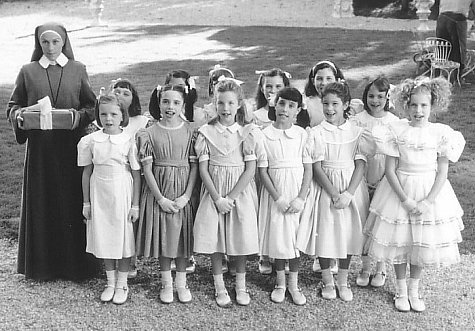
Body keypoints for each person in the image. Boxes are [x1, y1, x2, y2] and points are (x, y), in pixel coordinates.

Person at [6, 22, 99, 281]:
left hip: (71, 148)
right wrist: (21, 117)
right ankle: (43, 268)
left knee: (71, 201)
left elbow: (91, 106)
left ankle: (74, 267)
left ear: (64, 43)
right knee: (43, 201)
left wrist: (76, 117)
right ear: (38, 44)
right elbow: (13, 106)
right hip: (41, 151)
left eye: (55, 42)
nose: (50, 47)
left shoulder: (78, 69)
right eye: (44, 42)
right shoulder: (28, 71)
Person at [364, 76, 465, 312]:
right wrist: (406, 200)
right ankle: (400, 289)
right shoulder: (395, 130)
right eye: (413, 105)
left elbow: (442, 171)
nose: (418, 111)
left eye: (424, 105)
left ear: (433, 106)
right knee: (400, 240)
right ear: (405, 105)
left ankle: (414, 289)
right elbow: (390, 170)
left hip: (430, 191)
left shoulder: (441, 133)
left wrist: (428, 201)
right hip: (400, 190)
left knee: (421, 241)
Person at [296, 82, 370, 302]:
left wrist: (348, 193)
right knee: (327, 232)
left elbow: (361, 164)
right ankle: (328, 280)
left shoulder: (357, 132)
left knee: (347, 234)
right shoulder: (316, 132)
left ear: (345, 104)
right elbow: (317, 167)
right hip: (325, 187)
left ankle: (343, 280)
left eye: (335, 104)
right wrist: (334, 194)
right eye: (325, 103)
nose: (329, 108)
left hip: (350, 187)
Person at [193, 79, 260, 307]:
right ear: (214, 104)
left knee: (239, 236)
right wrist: (218, 198)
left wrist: (231, 197)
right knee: (215, 238)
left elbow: (250, 168)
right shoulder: (206, 132)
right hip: (215, 191)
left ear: (239, 104)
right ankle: (219, 286)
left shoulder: (246, 132)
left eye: (231, 103)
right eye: (220, 103)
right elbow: (203, 168)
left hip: (238, 192)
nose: (225, 108)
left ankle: (240, 285)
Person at [135, 85, 198, 304]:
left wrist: (187, 196)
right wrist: (160, 198)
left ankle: (181, 283)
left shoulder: (191, 131)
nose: (170, 107)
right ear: (159, 103)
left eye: (176, 102)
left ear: (183, 105)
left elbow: (195, 167)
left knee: (182, 237)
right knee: (164, 237)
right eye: (165, 101)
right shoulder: (149, 132)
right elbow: (147, 169)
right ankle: (166, 284)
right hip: (159, 189)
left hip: (182, 189)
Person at [78, 93, 141, 305]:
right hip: (99, 191)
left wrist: (135, 204)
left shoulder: (128, 140)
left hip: (121, 190)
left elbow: (135, 174)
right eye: (104, 114)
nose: (109, 118)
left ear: (122, 115)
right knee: (104, 236)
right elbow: (87, 172)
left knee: (122, 237)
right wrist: (86, 202)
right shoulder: (91, 141)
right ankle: (110, 282)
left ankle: (123, 283)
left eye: (114, 114)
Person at [258, 87, 312, 305]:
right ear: (274, 104)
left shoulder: (302, 135)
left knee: (295, 238)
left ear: (298, 110)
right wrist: (278, 198)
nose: (285, 109)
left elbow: (308, 169)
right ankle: (280, 282)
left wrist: (300, 197)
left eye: (291, 106)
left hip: (296, 191)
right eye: (281, 104)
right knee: (279, 238)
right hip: (276, 194)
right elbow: (263, 171)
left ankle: (294, 284)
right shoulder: (264, 135)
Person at [349, 77, 400, 288]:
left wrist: (385, 178)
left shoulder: (394, 122)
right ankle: (365, 266)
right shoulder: (357, 120)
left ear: (387, 98)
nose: (375, 100)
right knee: (363, 221)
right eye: (371, 96)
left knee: (380, 221)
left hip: (385, 176)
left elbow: (397, 155)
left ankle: (381, 267)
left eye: (380, 96)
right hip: (361, 173)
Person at [110, 78, 149, 279]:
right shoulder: (107, 120)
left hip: (135, 176)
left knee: (130, 218)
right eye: (116, 92)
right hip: (112, 178)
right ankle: (112, 258)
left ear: (133, 98)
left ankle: (130, 259)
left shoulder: (141, 122)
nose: (120, 96)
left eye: (126, 93)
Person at [436, 0, 475, 76]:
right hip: (457, 19)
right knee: (459, 49)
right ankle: (456, 77)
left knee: (442, 48)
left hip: (441, 18)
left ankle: (438, 75)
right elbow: (472, 15)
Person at [302, 60, 345, 128]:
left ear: (337, 80)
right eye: (319, 79)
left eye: (329, 78)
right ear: (313, 81)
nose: (324, 83)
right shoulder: (307, 105)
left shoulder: (345, 102)